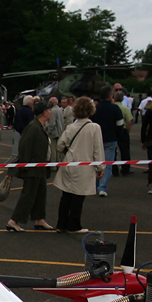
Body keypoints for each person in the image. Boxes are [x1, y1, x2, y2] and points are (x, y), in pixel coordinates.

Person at [54, 97, 104, 234]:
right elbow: (97, 149)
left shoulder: (71, 127)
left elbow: (59, 145)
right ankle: (74, 225)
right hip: (84, 165)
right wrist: (101, 167)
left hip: (69, 162)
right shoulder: (94, 128)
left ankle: (61, 223)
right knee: (78, 196)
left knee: (66, 195)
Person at [6, 100, 55, 232]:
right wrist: (26, 166)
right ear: (44, 113)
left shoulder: (39, 126)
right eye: (49, 110)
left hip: (40, 167)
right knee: (28, 194)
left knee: (40, 193)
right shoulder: (33, 127)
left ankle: (39, 219)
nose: (50, 112)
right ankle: (14, 220)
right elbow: (24, 146)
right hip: (33, 167)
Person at [91, 85, 123, 197]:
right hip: (111, 139)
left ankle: (95, 185)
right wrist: (118, 136)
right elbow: (120, 125)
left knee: (95, 164)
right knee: (108, 164)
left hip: (97, 140)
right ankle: (102, 187)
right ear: (110, 96)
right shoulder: (115, 108)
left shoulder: (95, 109)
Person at [112, 91, 133, 176]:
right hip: (123, 130)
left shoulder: (112, 108)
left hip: (113, 130)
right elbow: (129, 121)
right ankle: (125, 169)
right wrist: (127, 130)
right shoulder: (125, 109)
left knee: (113, 151)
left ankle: (114, 169)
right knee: (125, 151)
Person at [10, 95, 34, 162]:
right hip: (27, 133)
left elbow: (16, 123)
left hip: (18, 132)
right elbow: (31, 124)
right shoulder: (30, 112)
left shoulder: (19, 111)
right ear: (30, 103)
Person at [45, 97, 65, 166]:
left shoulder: (53, 111)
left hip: (53, 133)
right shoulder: (60, 110)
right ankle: (58, 163)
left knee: (53, 150)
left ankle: (53, 165)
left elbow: (52, 123)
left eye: (50, 102)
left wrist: (48, 131)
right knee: (58, 150)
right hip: (60, 131)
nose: (49, 103)